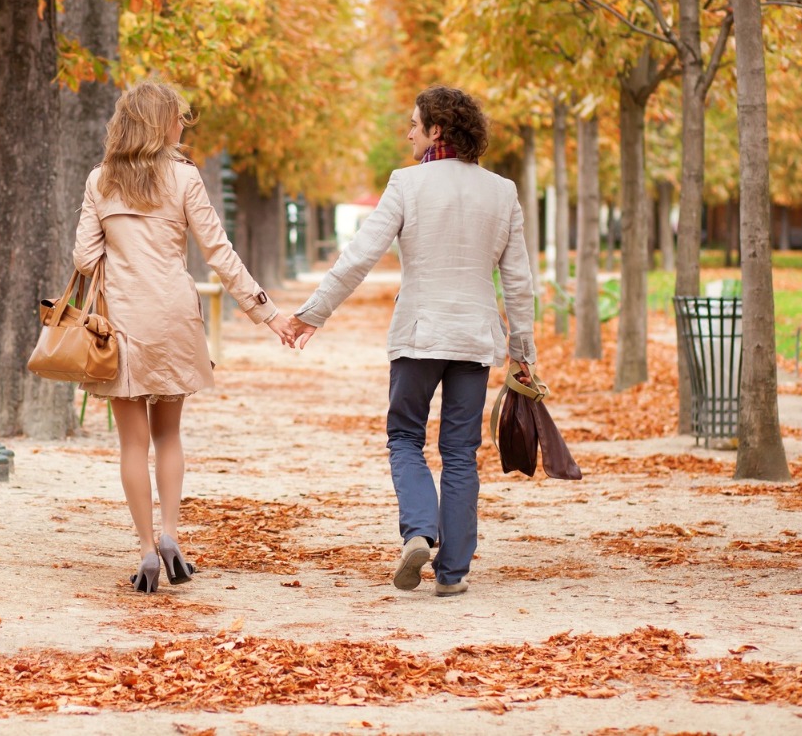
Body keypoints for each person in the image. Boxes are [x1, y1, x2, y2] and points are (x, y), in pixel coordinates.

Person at [283, 86, 536, 599]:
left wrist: (315, 312)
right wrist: (522, 351)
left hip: (418, 335)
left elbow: (359, 256)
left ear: (436, 130)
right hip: (473, 339)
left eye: (414, 124)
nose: (408, 132)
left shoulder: (407, 184)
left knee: (405, 437)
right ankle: (452, 574)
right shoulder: (502, 191)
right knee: (461, 452)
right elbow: (519, 281)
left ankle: (419, 532)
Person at [73, 81, 295, 594]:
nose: (182, 126)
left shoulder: (100, 181)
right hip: (173, 316)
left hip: (122, 321)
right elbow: (219, 254)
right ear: (161, 124)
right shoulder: (184, 178)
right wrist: (268, 313)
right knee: (168, 434)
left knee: (132, 442)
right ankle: (172, 536)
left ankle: (147, 548)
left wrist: (122, 259)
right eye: (178, 119)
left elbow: (84, 258)